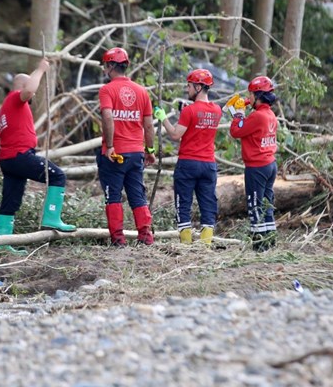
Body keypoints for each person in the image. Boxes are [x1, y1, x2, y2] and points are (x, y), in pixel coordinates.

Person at [0, 58, 75, 252]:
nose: (34, 93)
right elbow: (29, 90)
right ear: (22, 86)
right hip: (20, 156)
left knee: (11, 199)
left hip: (8, 158)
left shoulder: (5, 110)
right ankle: (52, 218)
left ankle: (1, 242)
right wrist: (40, 70)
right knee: (57, 175)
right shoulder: (15, 98)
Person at [153, 69, 222, 245]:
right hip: (208, 165)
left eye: (189, 86)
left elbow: (176, 135)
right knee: (208, 204)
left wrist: (163, 118)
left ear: (198, 87)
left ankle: (186, 246)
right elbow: (200, 119)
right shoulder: (217, 110)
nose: (187, 89)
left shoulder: (189, 111)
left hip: (188, 164)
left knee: (183, 203)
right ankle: (205, 245)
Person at [97, 47, 156, 246]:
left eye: (106, 65)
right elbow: (148, 124)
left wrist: (111, 146)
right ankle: (146, 237)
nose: (105, 69)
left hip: (116, 153)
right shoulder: (142, 91)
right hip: (136, 152)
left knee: (113, 195)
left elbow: (107, 117)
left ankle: (118, 240)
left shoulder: (107, 90)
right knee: (137, 194)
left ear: (111, 66)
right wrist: (150, 150)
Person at [227, 76, 279, 251]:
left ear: (258, 95)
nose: (248, 97)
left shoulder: (257, 116)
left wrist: (239, 114)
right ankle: (270, 239)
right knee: (267, 203)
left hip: (257, 167)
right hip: (270, 164)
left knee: (255, 204)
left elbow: (236, 131)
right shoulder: (270, 115)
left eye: (250, 94)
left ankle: (259, 244)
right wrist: (243, 112)